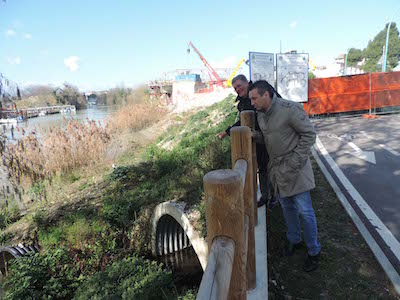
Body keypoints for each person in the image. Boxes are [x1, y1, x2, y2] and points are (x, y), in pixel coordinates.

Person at [248, 80, 321, 272]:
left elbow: (309, 135)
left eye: (254, 98)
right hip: (278, 171)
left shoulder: (290, 109)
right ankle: (294, 240)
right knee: (287, 206)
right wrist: (256, 136)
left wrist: (295, 162)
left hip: (295, 169)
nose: (252, 103)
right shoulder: (261, 115)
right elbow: (272, 137)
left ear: (266, 94)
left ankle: (314, 251)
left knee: (305, 211)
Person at [216, 74, 272, 207]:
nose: (237, 90)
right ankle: (266, 197)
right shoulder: (243, 101)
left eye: (239, 86)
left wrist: (227, 131)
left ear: (247, 82)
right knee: (263, 168)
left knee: (271, 167)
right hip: (256, 138)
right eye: (235, 88)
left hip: (269, 135)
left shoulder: (257, 92)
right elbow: (243, 121)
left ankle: (274, 196)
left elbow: (244, 120)